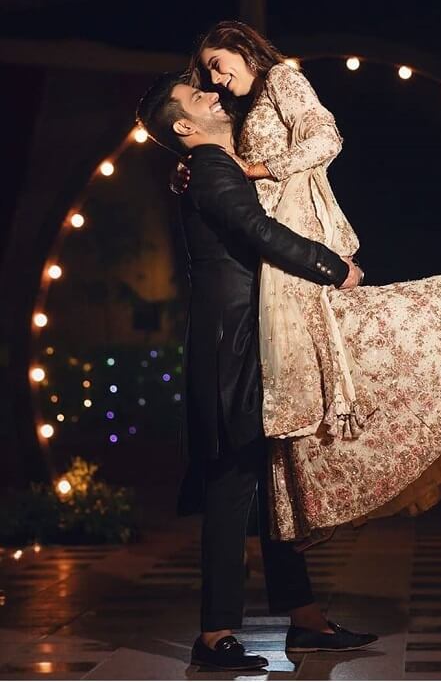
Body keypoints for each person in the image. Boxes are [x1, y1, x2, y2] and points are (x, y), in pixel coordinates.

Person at [182, 20, 441, 546]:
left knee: (329, 353)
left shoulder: (280, 80)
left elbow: (325, 136)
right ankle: (301, 549)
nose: (215, 78)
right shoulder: (247, 108)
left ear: (241, 48)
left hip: (297, 237)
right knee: (298, 382)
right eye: (206, 74)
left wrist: (260, 168)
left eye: (215, 63)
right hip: (271, 254)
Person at [136, 74, 377, 671]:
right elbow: (260, 233)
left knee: (270, 483)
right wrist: (333, 268)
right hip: (234, 348)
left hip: (243, 340)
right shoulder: (212, 164)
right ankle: (215, 634)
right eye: (199, 97)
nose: (215, 94)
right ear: (184, 127)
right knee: (234, 486)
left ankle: (304, 619)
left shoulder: (215, 165)